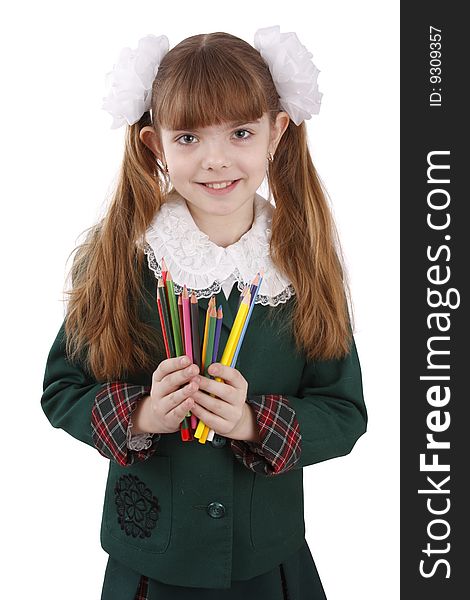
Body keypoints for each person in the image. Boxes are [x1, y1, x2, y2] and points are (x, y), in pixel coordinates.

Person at [41, 26, 367, 600]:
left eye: (241, 131)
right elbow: (62, 388)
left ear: (277, 132)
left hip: (269, 562)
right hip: (152, 564)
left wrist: (251, 423)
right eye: (188, 136)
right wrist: (141, 415)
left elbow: (343, 413)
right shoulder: (122, 258)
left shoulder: (304, 265)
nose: (216, 160)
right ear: (154, 145)